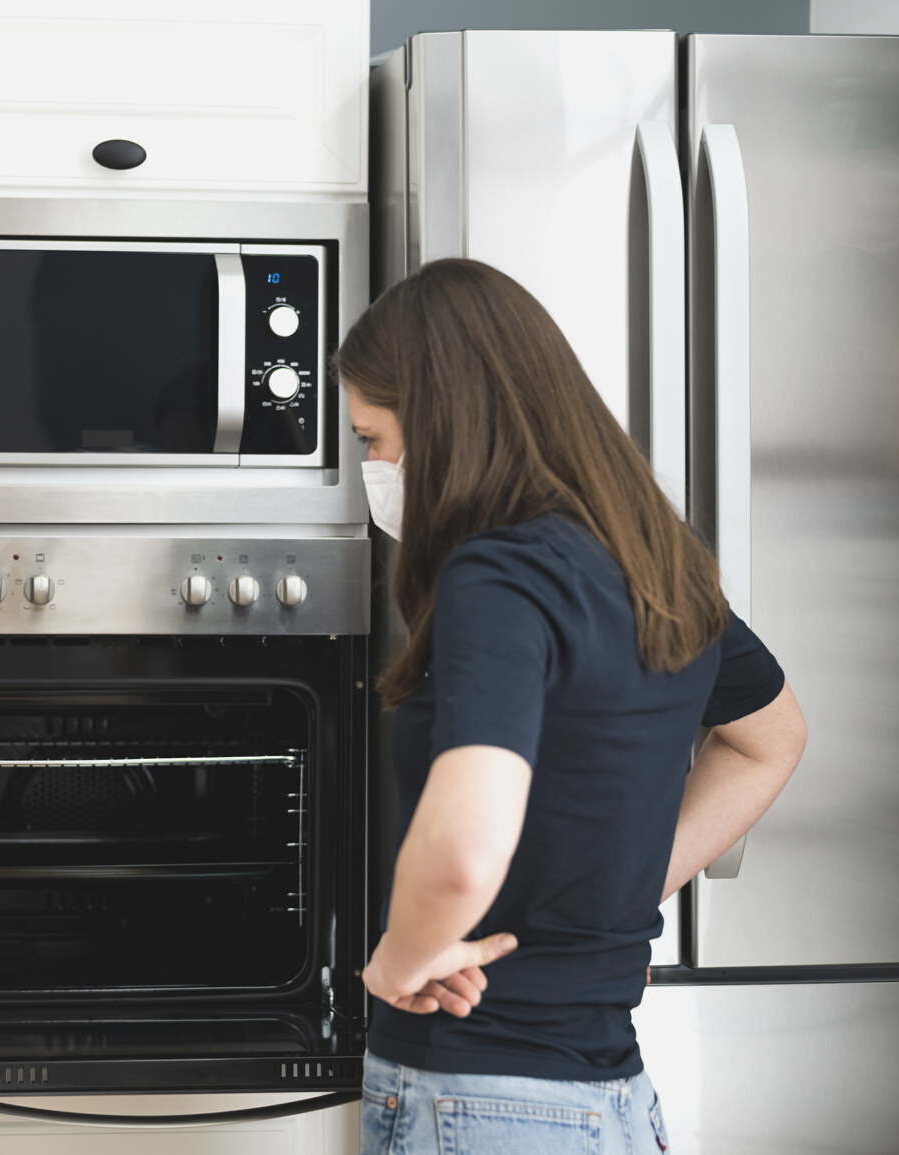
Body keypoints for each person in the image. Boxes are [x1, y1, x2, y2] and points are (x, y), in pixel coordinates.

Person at [342, 259, 807, 1153]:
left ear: (440, 423)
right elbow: (771, 738)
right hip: (612, 1099)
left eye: (373, 437)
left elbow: (464, 845)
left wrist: (400, 961)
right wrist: (622, 892)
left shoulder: (496, 572)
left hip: (478, 1091)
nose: (374, 466)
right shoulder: (654, 559)